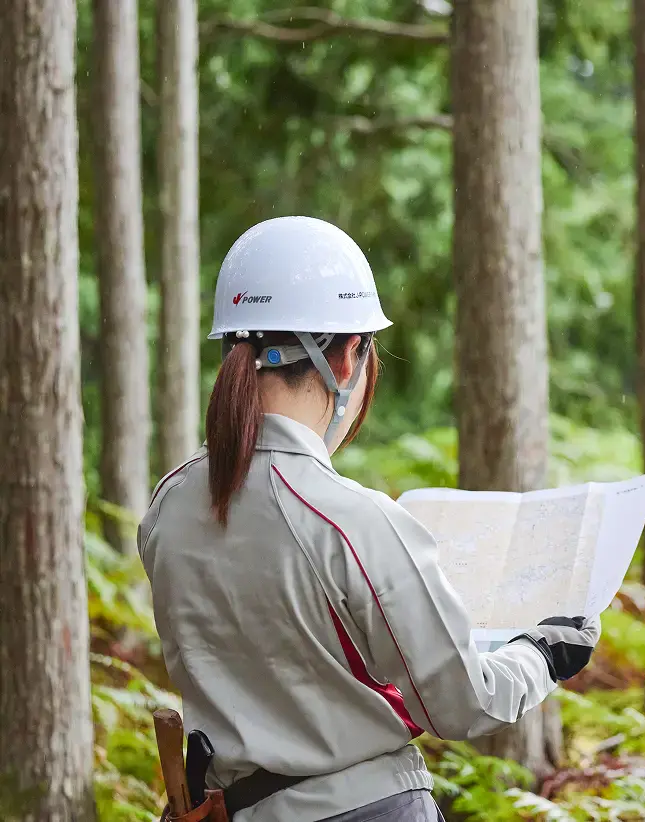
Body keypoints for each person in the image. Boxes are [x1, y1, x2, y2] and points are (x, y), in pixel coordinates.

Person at [138, 216, 600, 822]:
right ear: (351, 356)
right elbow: (462, 705)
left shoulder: (169, 505)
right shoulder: (347, 520)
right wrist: (542, 654)